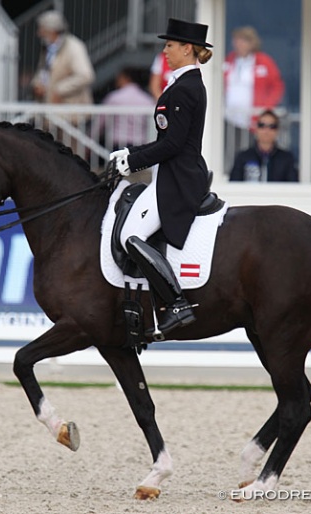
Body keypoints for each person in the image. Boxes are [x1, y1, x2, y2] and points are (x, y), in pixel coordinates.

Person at [108, 18, 213, 338]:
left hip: (177, 180)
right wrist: (131, 153)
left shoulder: (185, 88)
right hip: (171, 173)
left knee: (130, 235)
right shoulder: (183, 84)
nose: (164, 51)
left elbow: (172, 144)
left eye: (169, 45)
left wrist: (131, 161)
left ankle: (176, 303)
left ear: (186, 48)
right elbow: (167, 141)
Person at [223, 26, 284, 130]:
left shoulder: (264, 62)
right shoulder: (229, 60)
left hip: (253, 121)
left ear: (252, 43)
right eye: (236, 41)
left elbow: (277, 87)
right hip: (228, 119)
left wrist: (266, 110)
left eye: (243, 41)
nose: (239, 44)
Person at [30, 10, 94, 110]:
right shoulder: (47, 48)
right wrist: (37, 84)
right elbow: (44, 72)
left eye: (42, 29)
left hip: (70, 111)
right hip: (50, 111)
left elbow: (85, 76)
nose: (39, 33)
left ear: (52, 30)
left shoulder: (74, 47)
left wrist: (59, 90)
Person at [229, 109, 297, 182]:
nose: (266, 130)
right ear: (256, 129)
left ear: (277, 131)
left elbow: (293, 187)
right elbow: (234, 185)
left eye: (272, 126)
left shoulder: (286, 159)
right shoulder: (243, 157)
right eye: (262, 125)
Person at [99, 67, 155, 149]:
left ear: (126, 78)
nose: (117, 80)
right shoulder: (147, 100)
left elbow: (100, 122)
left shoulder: (114, 97)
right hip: (139, 143)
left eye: (119, 77)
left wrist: (89, 140)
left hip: (118, 143)